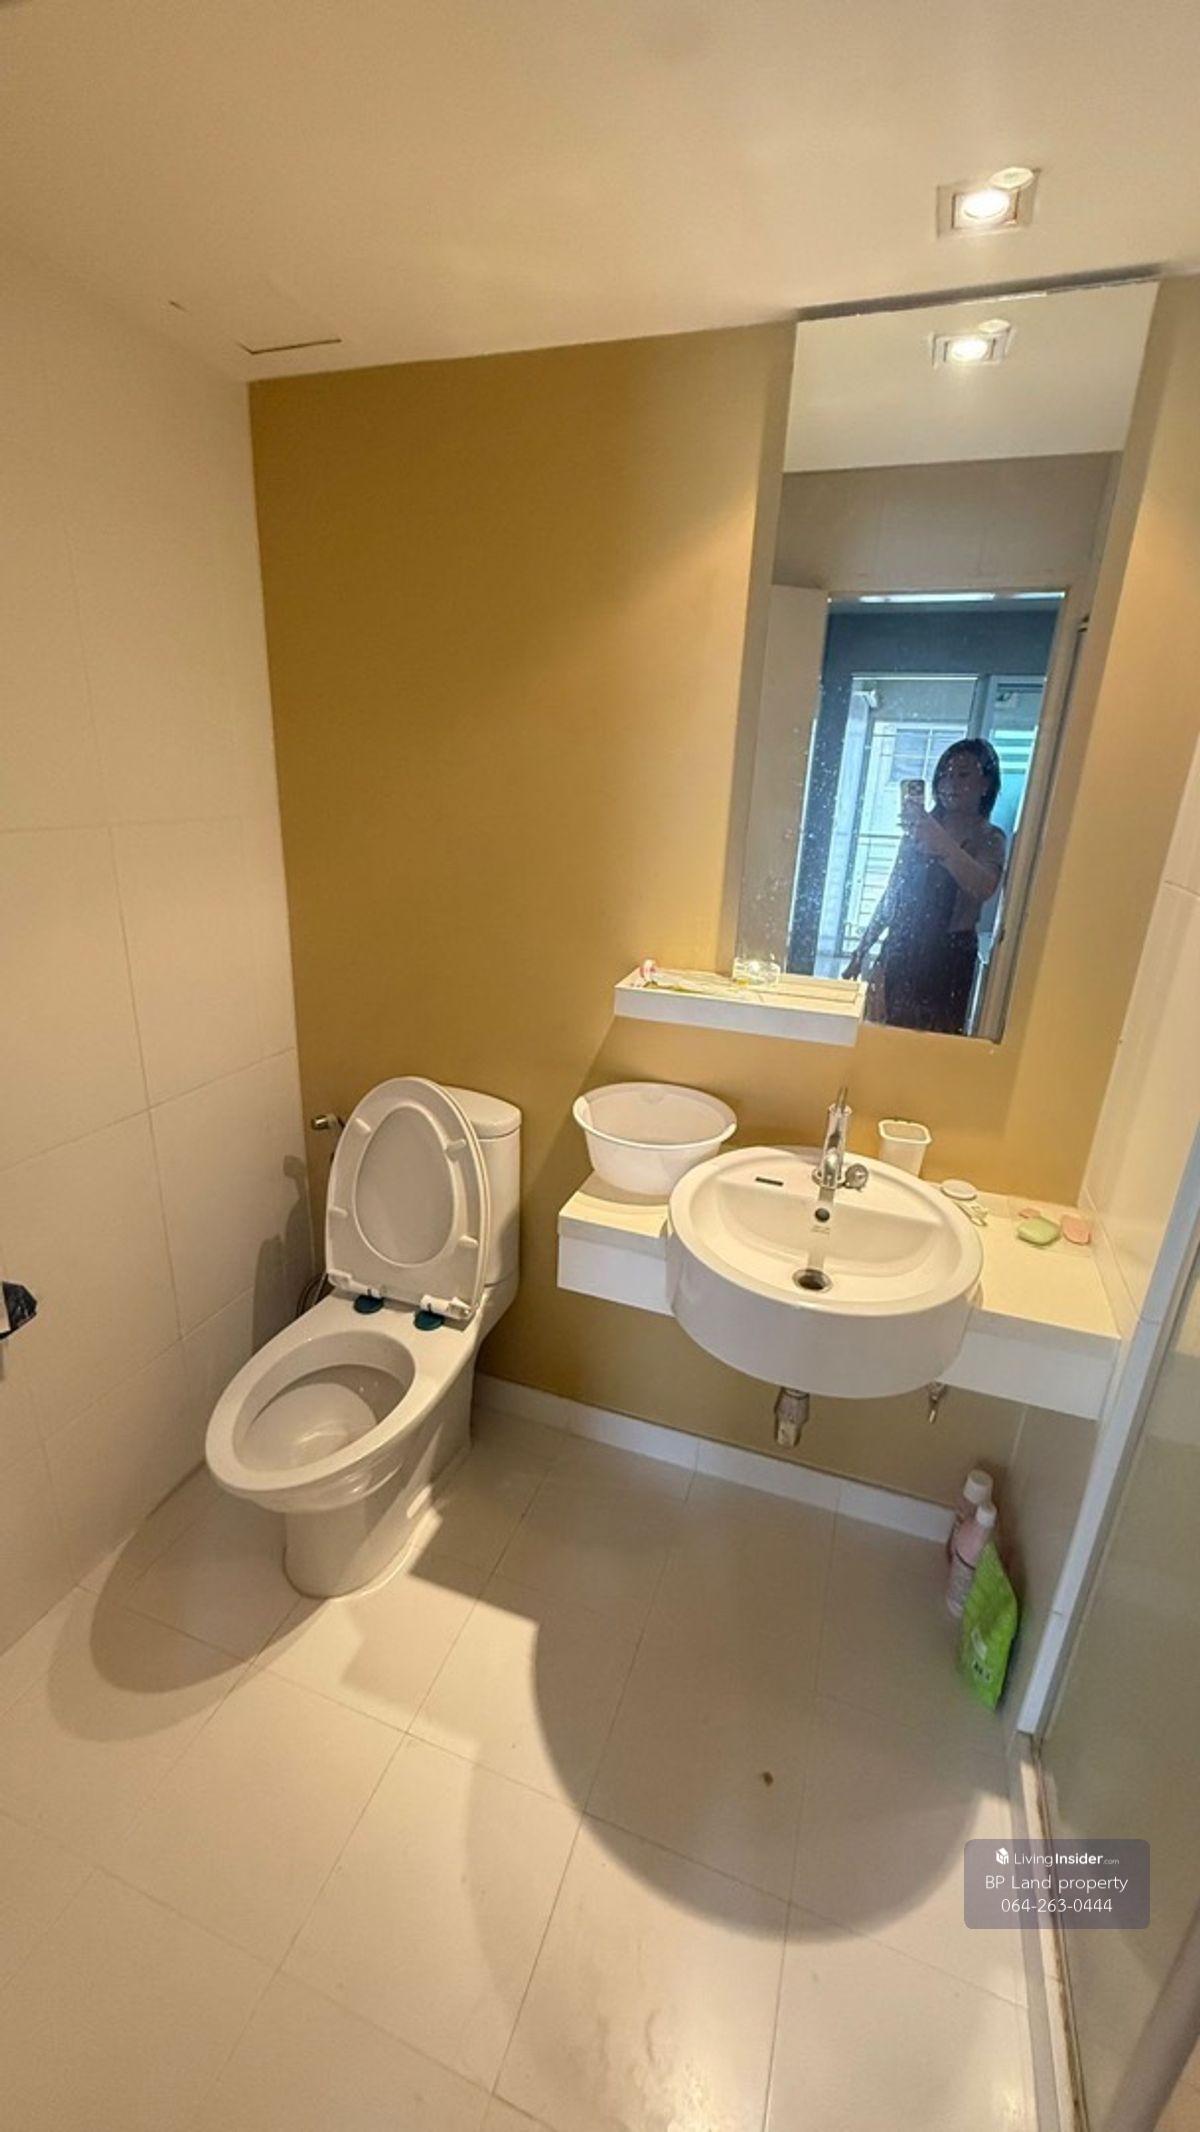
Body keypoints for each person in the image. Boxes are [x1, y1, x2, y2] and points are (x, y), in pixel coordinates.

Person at [843, 737, 1006, 1035]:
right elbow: (894, 893)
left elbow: (983, 887)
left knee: (934, 1046)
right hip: (901, 948)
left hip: (948, 960)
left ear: (986, 784)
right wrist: (862, 949)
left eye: (963, 775)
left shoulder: (989, 838)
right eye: (945, 774)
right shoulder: (919, 831)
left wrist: (939, 841)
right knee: (881, 1037)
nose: (950, 783)